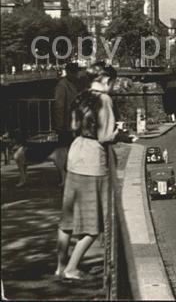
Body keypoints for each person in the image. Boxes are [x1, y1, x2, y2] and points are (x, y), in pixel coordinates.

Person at [55, 62, 125, 280]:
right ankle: (71, 269)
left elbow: (74, 126)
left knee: (67, 220)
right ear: (106, 80)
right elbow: (105, 136)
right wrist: (119, 134)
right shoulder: (104, 100)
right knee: (94, 225)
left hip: (75, 155)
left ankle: (59, 266)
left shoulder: (81, 97)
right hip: (93, 161)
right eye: (113, 82)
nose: (113, 87)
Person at [50, 62, 81, 186]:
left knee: (70, 151)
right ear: (69, 72)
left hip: (71, 124)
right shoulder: (62, 86)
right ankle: (64, 177)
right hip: (65, 125)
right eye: (74, 72)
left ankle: (68, 176)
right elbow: (59, 106)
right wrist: (59, 125)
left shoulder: (71, 84)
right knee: (64, 153)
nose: (76, 75)